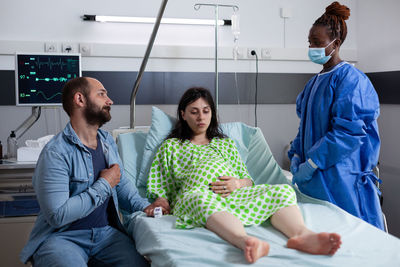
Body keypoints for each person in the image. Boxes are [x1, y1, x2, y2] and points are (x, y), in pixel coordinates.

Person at [146, 87, 341, 264]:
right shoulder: (171, 146)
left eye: (206, 111)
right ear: (183, 114)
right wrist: (161, 202)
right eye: (194, 112)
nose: (201, 117)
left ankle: (302, 235)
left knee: (282, 191)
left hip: (235, 196)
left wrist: (238, 184)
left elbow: (248, 180)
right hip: (196, 195)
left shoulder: (225, 144)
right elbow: (162, 184)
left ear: (212, 113)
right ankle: (246, 241)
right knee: (201, 200)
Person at [20, 77, 168, 266]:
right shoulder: (56, 152)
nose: (110, 101)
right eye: (102, 94)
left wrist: (147, 206)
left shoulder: (107, 143)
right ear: (80, 100)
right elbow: (57, 216)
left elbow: (122, 188)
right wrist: (104, 184)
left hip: (106, 235)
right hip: (62, 238)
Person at [288, 2, 383, 230]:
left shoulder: (352, 81)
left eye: (317, 43)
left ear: (335, 44)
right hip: (315, 182)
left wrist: (312, 162)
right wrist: (296, 155)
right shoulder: (313, 84)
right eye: (309, 42)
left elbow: (347, 134)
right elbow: (305, 127)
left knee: (352, 238)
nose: (311, 47)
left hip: (343, 181)